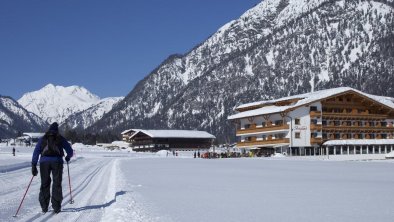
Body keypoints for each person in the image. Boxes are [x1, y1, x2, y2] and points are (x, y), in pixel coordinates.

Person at [31, 122, 73, 214]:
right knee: (56, 183)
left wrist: (34, 165)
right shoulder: (60, 138)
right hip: (57, 162)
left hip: (44, 163)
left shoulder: (43, 139)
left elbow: (36, 151)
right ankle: (56, 207)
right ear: (57, 130)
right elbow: (69, 150)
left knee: (45, 183)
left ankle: (44, 207)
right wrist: (68, 157)